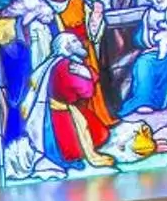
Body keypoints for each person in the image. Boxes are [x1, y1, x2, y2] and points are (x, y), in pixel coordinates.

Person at [0, 0, 64, 178]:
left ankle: (53, 151)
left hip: (48, 64)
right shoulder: (9, 15)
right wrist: (22, 24)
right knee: (25, 106)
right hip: (24, 71)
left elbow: (59, 35)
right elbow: (5, 43)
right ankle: (23, 151)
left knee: (50, 104)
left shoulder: (46, 10)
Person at [35, 31, 117, 169]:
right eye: (74, 41)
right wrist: (87, 75)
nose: (79, 42)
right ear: (66, 47)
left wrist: (87, 73)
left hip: (65, 110)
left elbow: (90, 78)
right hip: (64, 118)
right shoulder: (68, 66)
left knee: (99, 131)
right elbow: (87, 92)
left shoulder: (63, 62)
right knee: (85, 141)